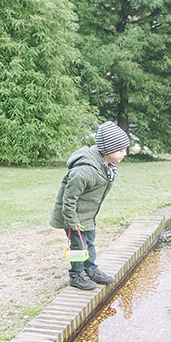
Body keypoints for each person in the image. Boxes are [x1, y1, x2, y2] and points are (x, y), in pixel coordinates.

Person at [50, 121, 129, 290]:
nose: (125, 153)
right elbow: (68, 199)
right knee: (78, 246)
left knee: (90, 242)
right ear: (108, 149)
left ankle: (90, 270)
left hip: (87, 215)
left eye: (125, 149)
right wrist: (71, 221)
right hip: (73, 216)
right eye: (121, 150)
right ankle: (76, 275)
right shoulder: (84, 171)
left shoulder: (106, 165)